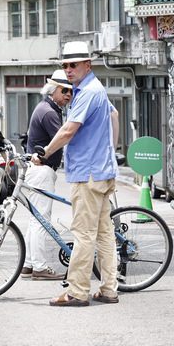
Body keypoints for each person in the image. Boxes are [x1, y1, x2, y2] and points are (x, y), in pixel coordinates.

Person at [32, 41, 120, 307]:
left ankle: (77, 292)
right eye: (66, 66)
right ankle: (109, 289)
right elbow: (114, 116)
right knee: (104, 233)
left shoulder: (88, 92)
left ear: (87, 65)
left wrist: (44, 152)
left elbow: (68, 131)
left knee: (83, 235)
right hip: (102, 171)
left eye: (74, 65)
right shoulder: (94, 90)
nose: (69, 70)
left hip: (88, 174)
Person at [21, 69, 73, 281]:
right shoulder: (50, 112)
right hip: (42, 170)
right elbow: (62, 139)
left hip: (37, 170)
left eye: (71, 91)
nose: (68, 95)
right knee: (41, 220)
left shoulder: (45, 107)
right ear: (53, 90)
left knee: (36, 219)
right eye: (65, 91)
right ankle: (40, 267)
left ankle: (28, 264)